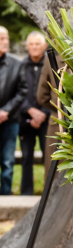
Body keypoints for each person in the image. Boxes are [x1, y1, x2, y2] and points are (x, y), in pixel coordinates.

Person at [18, 32, 48, 195]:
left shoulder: (51, 65)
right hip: (25, 119)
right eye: (32, 44)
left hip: (46, 120)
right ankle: (26, 193)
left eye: (38, 44)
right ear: (27, 46)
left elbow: (55, 92)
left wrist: (42, 113)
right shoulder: (20, 66)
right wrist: (30, 110)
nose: (35, 47)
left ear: (44, 46)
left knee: (49, 157)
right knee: (26, 157)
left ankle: (48, 194)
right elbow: (17, 91)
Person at [0, 27, 27, 195]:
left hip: (9, 121)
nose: (6, 41)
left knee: (8, 162)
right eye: (2, 38)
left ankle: (5, 198)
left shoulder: (17, 63)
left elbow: (23, 91)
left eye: (7, 38)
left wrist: (5, 111)